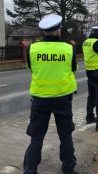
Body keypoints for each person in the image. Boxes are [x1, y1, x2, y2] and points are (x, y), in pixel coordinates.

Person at [23, 14, 77, 174]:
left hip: (40, 100)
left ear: (43, 32)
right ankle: (68, 169)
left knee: (36, 137)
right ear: (59, 30)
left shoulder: (33, 48)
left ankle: (30, 170)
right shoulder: (69, 49)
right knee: (65, 135)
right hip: (63, 99)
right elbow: (73, 69)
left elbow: (31, 69)